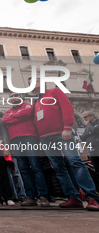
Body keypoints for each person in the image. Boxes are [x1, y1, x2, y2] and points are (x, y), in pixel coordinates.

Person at [33, 78, 99, 210]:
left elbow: (67, 108)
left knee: (75, 162)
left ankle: (92, 197)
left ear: (44, 83)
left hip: (62, 134)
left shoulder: (55, 92)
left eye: (37, 81)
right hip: (46, 138)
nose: (34, 84)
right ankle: (72, 197)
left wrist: (68, 127)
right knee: (58, 167)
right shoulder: (36, 102)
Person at [2, 92, 50, 206]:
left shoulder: (28, 106)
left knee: (35, 166)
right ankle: (30, 197)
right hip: (15, 140)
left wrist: (14, 118)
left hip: (29, 137)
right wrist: (18, 117)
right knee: (23, 169)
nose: (14, 98)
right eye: (11, 96)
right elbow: (5, 120)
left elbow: (26, 114)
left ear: (21, 97)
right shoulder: (7, 112)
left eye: (16, 96)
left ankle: (43, 196)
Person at [80, 111, 99, 183]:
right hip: (92, 150)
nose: (84, 118)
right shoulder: (89, 126)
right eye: (83, 117)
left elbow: (96, 130)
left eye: (85, 117)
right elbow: (82, 137)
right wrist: (90, 132)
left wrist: (89, 126)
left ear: (92, 116)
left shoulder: (95, 124)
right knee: (97, 170)